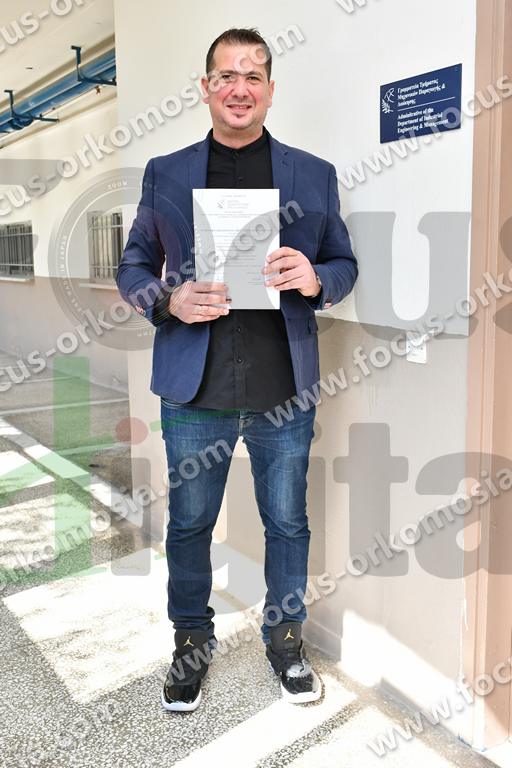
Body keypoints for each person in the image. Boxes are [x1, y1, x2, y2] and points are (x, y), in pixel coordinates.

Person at [116, 27, 358, 712]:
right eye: (227, 75)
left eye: (253, 75)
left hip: (284, 386)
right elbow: (133, 267)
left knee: (287, 524)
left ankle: (286, 644)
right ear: (206, 88)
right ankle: (191, 645)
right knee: (191, 524)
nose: (240, 87)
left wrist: (316, 277)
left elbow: (344, 263)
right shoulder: (166, 172)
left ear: (270, 90)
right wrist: (168, 299)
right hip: (196, 389)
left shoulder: (313, 174)